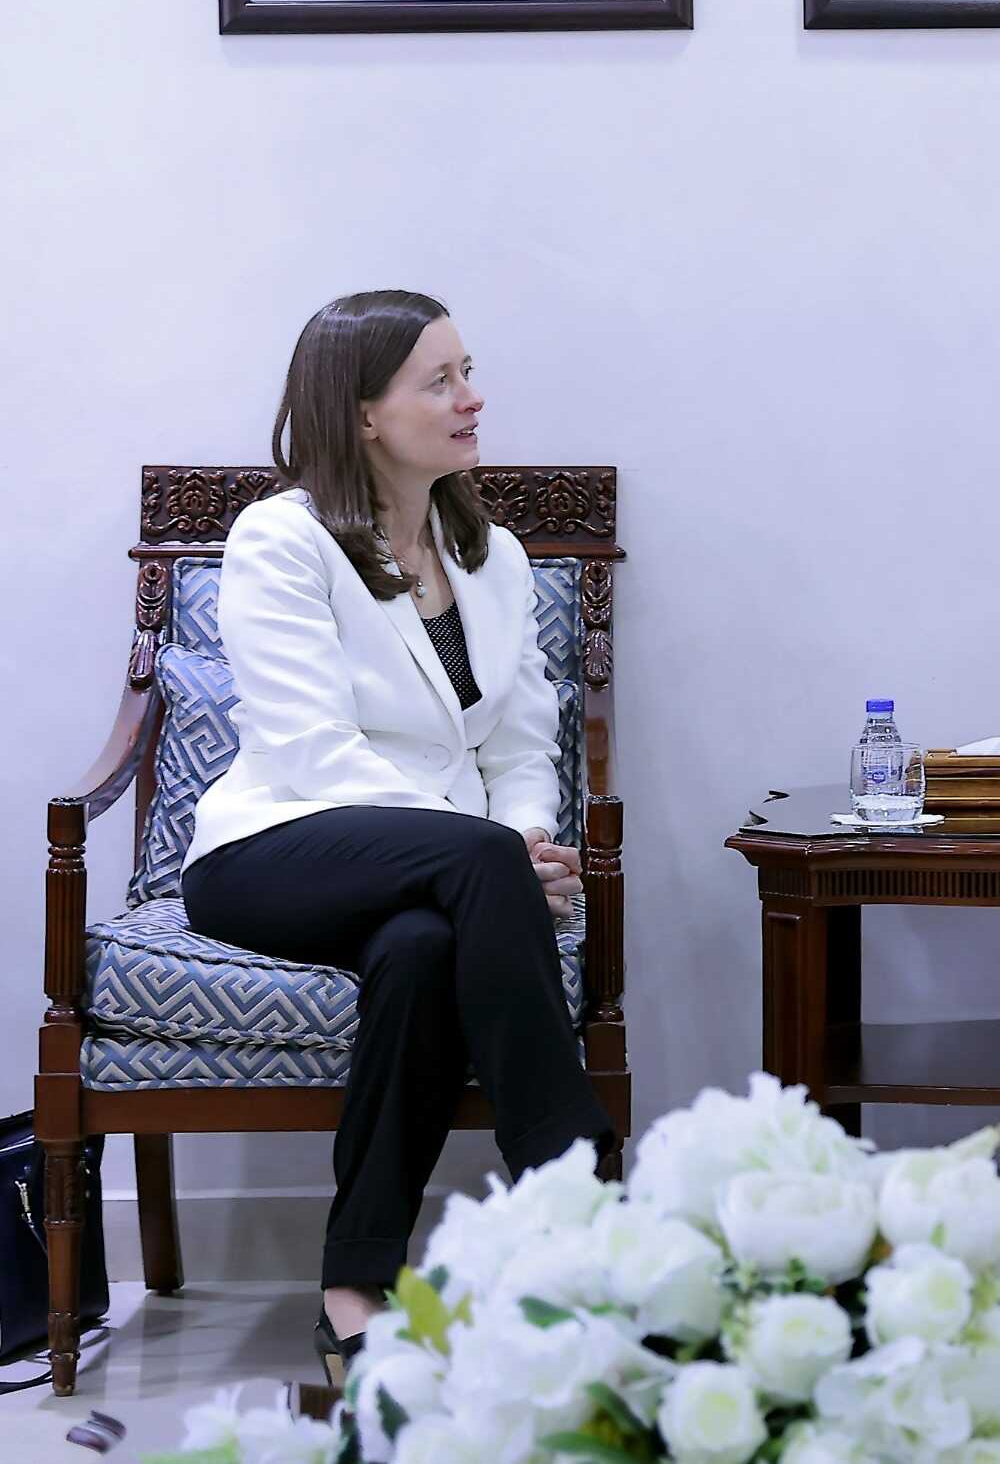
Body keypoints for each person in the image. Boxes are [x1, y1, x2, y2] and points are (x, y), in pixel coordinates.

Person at [180, 291, 611, 1385]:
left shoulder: (492, 554)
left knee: (420, 951)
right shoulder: (282, 539)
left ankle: (352, 1289)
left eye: (469, 371)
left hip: (435, 878)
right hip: (275, 849)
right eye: (441, 379)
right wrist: (490, 857)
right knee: (471, 865)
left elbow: (523, 743)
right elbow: (313, 749)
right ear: (363, 412)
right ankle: (577, 1201)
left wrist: (517, 840)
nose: (473, 398)